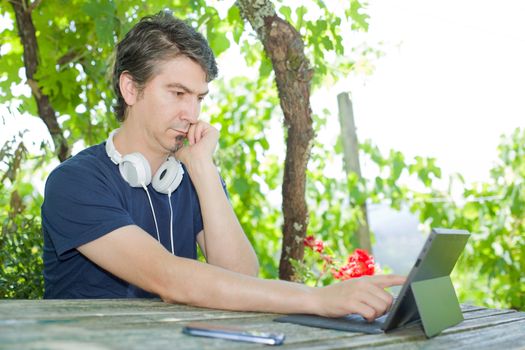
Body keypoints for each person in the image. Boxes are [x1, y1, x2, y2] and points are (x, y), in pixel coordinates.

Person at [41, 11, 405, 321]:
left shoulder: (189, 177)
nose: (192, 113)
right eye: (177, 93)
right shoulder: (74, 183)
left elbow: (241, 275)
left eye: (198, 98)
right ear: (131, 89)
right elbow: (168, 278)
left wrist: (202, 168)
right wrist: (317, 298)